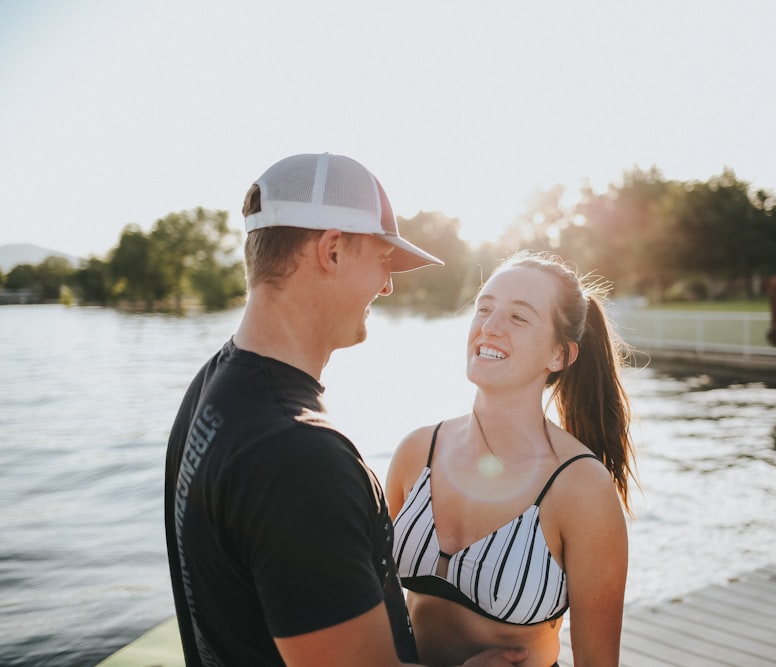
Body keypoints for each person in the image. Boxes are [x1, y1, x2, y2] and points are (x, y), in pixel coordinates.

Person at [164, 153, 528, 667]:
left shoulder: (214, 385)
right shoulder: (296, 457)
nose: (387, 286)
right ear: (331, 250)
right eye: (383, 260)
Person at [387, 250, 638, 667]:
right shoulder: (417, 452)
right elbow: (380, 613)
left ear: (559, 355)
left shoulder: (580, 488)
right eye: (484, 308)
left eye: (518, 317)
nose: (489, 326)